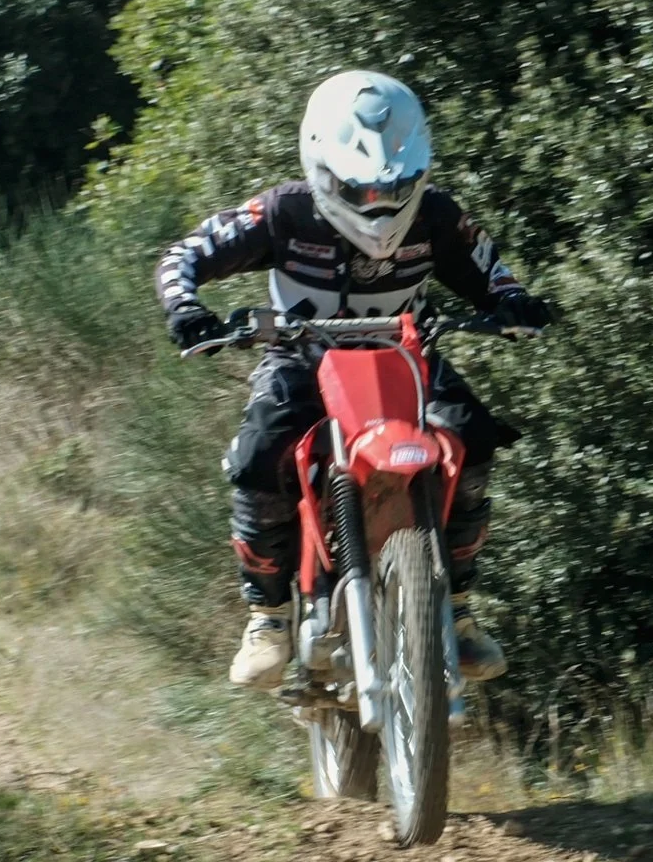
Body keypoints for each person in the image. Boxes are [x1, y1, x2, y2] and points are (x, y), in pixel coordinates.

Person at [154, 70, 557, 690]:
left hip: (407, 355)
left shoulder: (441, 219)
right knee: (259, 455)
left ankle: (457, 608)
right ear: (321, 169)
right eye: (361, 190)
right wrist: (186, 309)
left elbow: (494, 274)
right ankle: (268, 616)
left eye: (397, 187)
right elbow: (184, 255)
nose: (381, 204)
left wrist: (517, 304)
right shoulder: (282, 211)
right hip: (302, 359)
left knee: (475, 438)